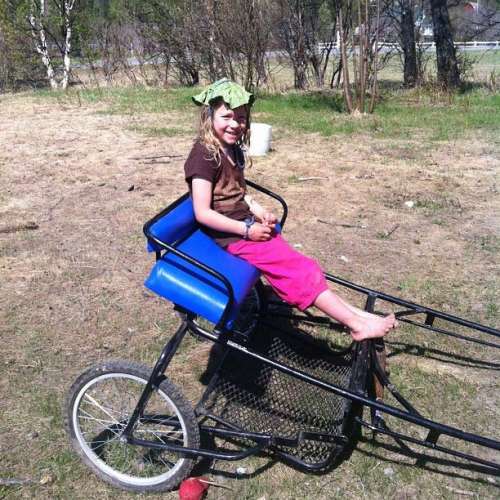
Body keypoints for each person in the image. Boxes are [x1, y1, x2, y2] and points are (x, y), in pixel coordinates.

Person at [184, 78, 396, 341]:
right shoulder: (204, 156)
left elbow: (237, 194)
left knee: (302, 265)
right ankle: (356, 324)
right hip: (230, 237)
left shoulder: (230, 149)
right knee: (298, 271)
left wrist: (258, 210)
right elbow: (202, 212)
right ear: (209, 116)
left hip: (245, 225)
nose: (235, 124)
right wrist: (246, 230)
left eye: (241, 118)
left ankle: (356, 315)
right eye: (226, 116)